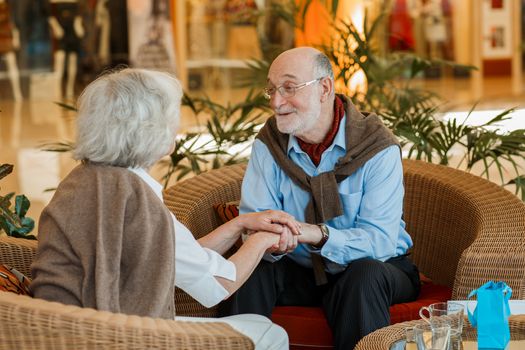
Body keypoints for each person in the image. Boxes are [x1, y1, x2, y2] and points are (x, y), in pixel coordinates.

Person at [30, 68, 300, 350]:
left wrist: (239, 224)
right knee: (270, 334)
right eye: (171, 117)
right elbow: (217, 286)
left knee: (261, 327)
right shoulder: (134, 196)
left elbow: (174, 254)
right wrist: (263, 239)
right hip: (117, 334)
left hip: (64, 327)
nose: (177, 125)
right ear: (149, 128)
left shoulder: (85, 178)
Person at [219, 47, 421, 349]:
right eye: (272, 90)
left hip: (378, 267)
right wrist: (270, 239)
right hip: (299, 269)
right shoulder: (269, 144)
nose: (276, 101)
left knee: (364, 275)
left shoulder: (377, 146)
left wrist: (318, 235)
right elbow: (257, 220)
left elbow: (379, 240)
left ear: (324, 88)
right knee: (253, 265)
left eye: (288, 88)